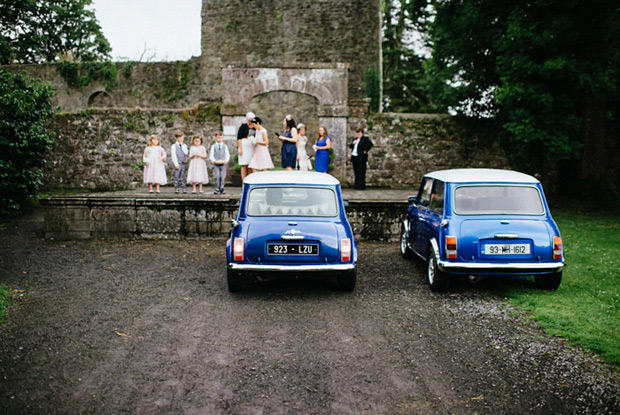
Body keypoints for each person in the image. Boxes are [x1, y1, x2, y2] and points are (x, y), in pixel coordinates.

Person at [237, 112, 256, 181]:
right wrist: (241, 149)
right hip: (244, 146)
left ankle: (250, 180)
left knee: (251, 165)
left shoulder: (255, 127)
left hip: (252, 146)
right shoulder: (243, 126)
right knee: (244, 164)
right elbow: (239, 138)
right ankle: (243, 181)